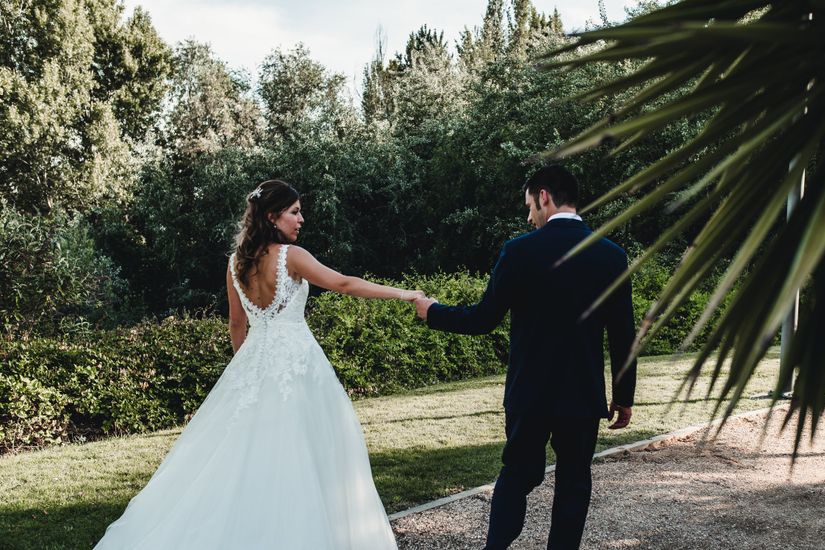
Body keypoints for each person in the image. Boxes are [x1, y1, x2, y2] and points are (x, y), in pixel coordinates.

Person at [95, 179, 418, 549]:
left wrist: (247, 370)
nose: (301, 220)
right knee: (308, 449)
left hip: (254, 364)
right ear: (272, 216)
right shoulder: (291, 256)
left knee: (248, 452)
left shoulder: (235, 264)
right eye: (294, 212)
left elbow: (237, 325)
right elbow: (343, 283)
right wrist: (404, 294)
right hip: (297, 364)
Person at [415, 165, 637, 550]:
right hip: (581, 397)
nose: (528, 216)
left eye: (530, 206)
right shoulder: (612, 256)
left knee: (517, 475)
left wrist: (432, 311)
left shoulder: (519, 251)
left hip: (529, 394)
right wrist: (624, 394)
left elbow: (483, 319)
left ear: (544, 196)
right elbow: (623, 335)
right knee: (574, 482)